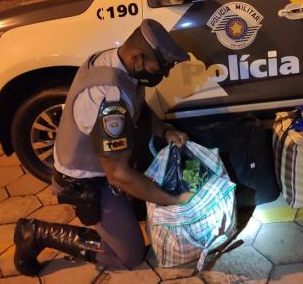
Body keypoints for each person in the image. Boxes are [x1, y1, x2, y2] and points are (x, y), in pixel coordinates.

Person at [13, 19, 192, 276]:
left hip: (106, 161)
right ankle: (35, 232)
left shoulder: (116, 60)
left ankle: (127, 209)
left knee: (145, 198)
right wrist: (173, 202)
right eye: (160, 68)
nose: (164, 75)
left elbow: (137, 104)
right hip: (86, 182)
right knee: (129, 256)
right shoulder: (109, 100)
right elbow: (118, 175)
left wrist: (164, 129)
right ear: (138, 57)